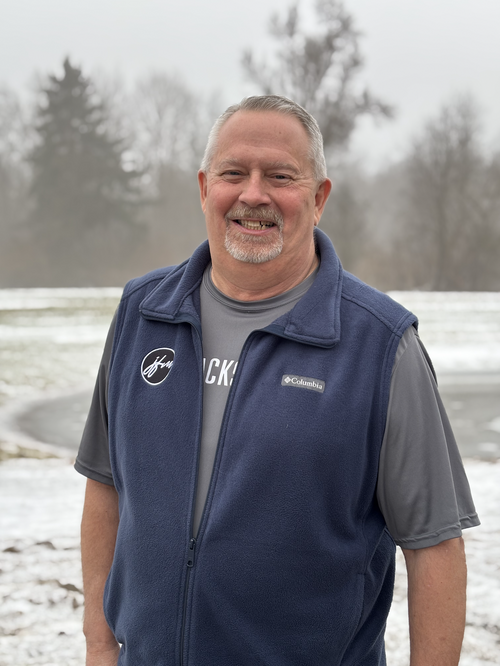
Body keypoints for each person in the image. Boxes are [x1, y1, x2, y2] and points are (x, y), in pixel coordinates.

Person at [76, 95, 479, 666]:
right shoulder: (143, 314)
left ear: (319, 198)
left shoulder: (380, 344)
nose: (253, 194)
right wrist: (99, 644)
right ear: (204, 189)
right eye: (233, 173)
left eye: (280, 176)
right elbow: (105, 485)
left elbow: (435, 545)